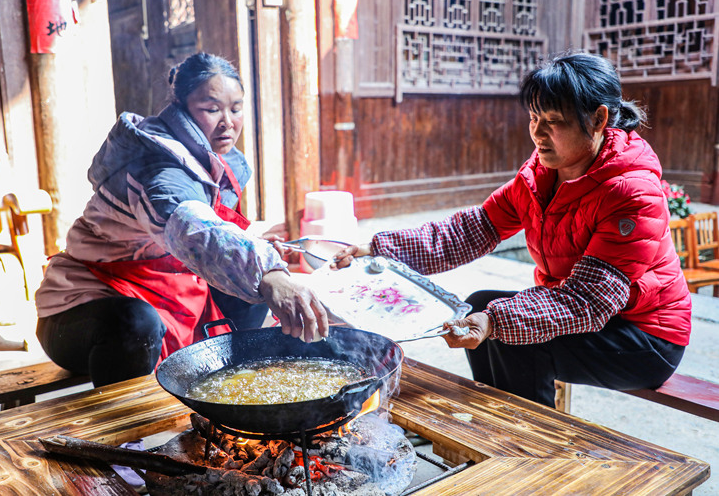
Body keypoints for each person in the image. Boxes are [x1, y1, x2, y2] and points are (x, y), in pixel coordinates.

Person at [333, 51, 691, 408]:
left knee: (508, 333)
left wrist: (495, 321)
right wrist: (379, 249)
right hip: (594, 316)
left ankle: (531, 447)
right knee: (477, 304)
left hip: (646, 338)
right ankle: (498, 422)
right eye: (534, 117)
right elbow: (470, 230)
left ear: (598, 119)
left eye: (554, 121)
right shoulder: (541, 173)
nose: (538, 132)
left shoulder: (631, 190)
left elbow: (587, 301)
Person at [35, 52, 328, 389]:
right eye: (212, 109)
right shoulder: (157, 166)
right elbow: (192, 227)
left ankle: (232, 392)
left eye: (236, 108)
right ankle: (126, 435)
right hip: (85, 309)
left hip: (172, 295)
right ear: (181, 108)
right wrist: (270, 272)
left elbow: (215, 224)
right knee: (136, 323)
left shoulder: (216, 161)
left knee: (247, 293)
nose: (228, 122)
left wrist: (258, 246)